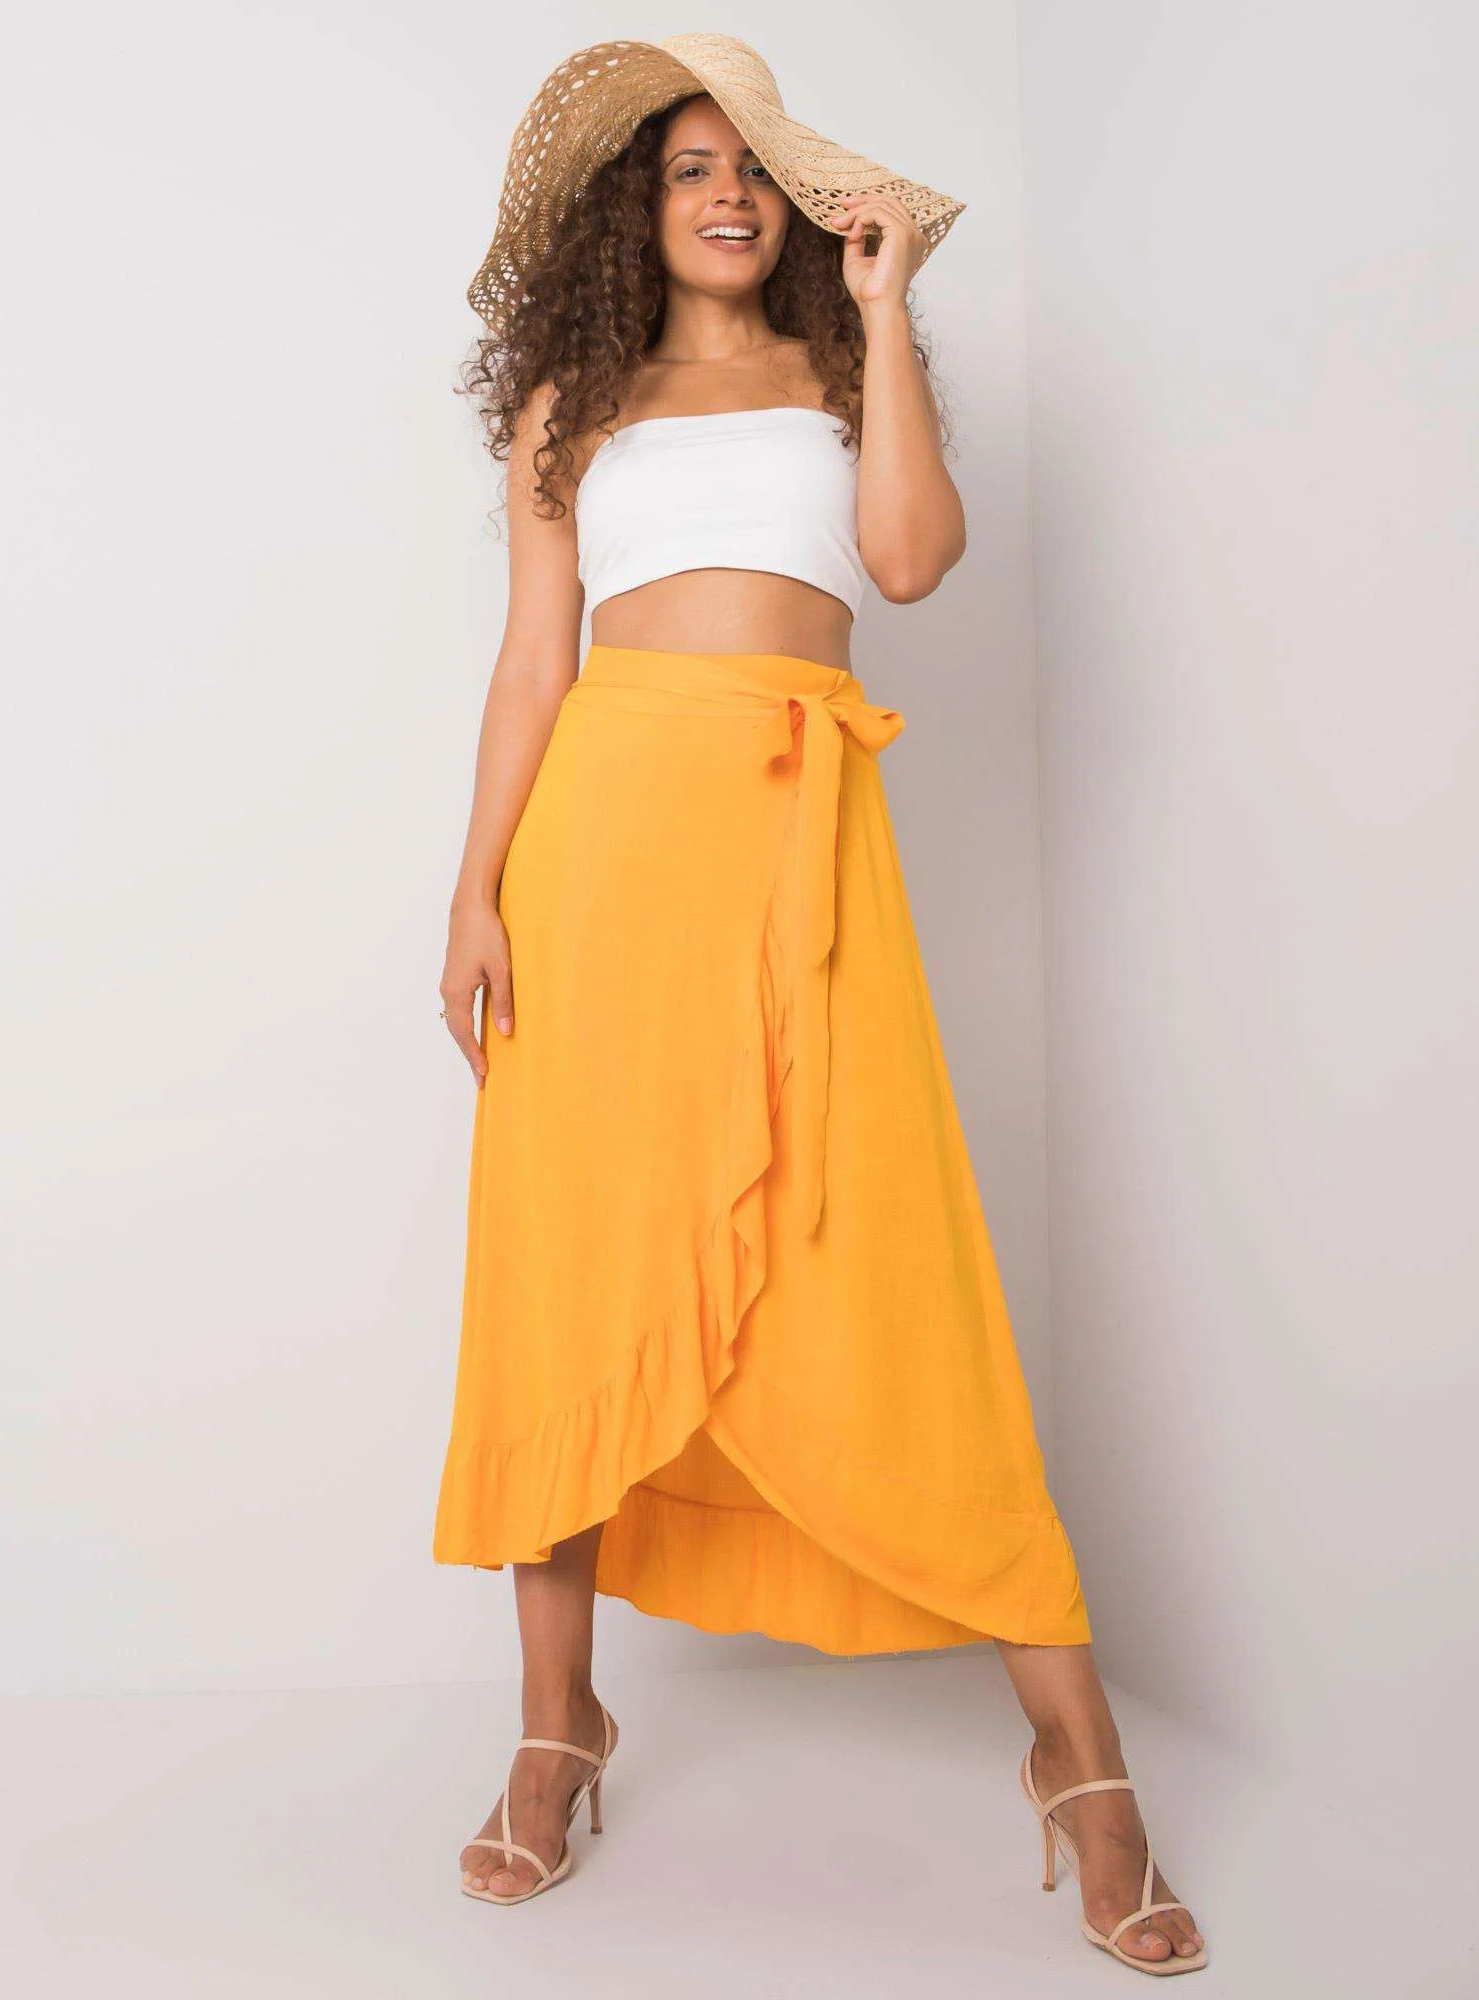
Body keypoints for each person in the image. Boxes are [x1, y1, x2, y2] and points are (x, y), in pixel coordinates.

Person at [433, 35, 1206, 1976]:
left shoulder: (844, 371)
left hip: (798, 843)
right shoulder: (572, 403)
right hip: (602, 853)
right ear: (637, 207)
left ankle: (1080, 1759)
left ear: (791, 209)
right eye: (688, 167)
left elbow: (914, 565)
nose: (723, 193)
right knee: (578, 1264)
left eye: (750, 171)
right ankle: (554, 1727)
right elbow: (533, 662)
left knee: (886, 1263)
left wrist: (881, 312)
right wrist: (474, 889)